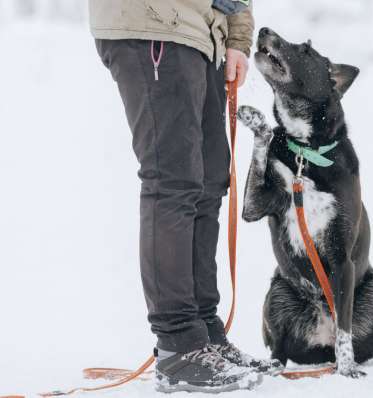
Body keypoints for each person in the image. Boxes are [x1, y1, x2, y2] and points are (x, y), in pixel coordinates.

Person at [89, 0, 280, 393]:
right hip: (153, 25)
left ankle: (203, 330)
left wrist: (237, 38)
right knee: (173, 182)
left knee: (208, 182)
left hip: (202, 35)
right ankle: (178, 343)